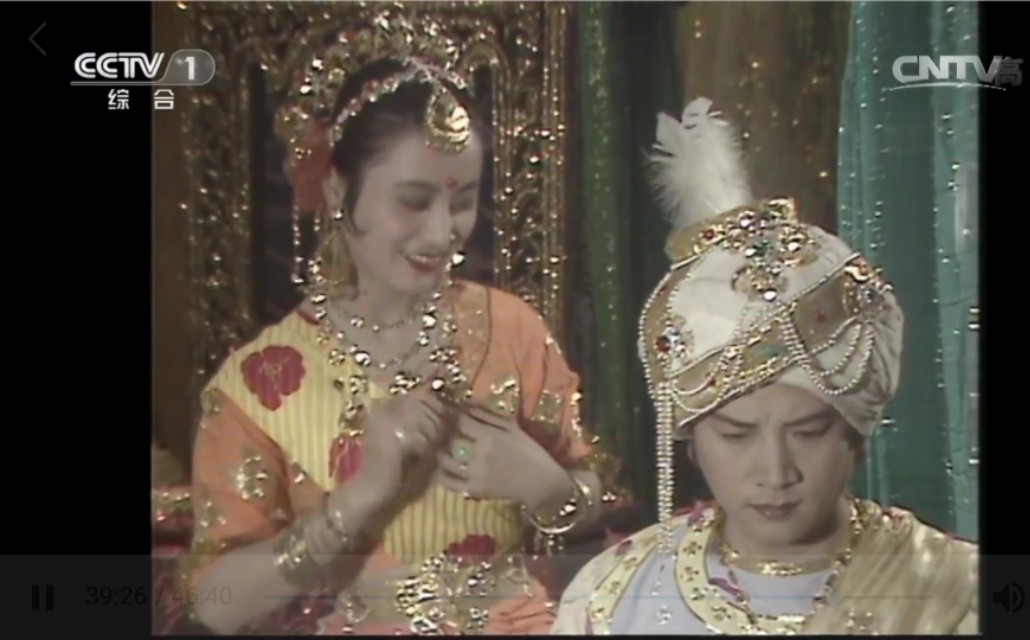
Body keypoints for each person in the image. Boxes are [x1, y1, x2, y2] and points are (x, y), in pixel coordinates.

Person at [181, 16, 615, 636]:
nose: (442, 233)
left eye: (462, 200)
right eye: (413, 201)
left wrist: (548, 488)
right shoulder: (256, 387)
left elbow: (591, 499)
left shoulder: (511, 330)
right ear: (338, 190)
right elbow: (214, 602)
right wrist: (359, 499)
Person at [552, 97, 977, 635]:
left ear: (856, 436)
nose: (775, 473)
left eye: (808, 432)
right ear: (692, 439)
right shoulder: (613, 599)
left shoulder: (956, 592)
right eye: (736, 435)